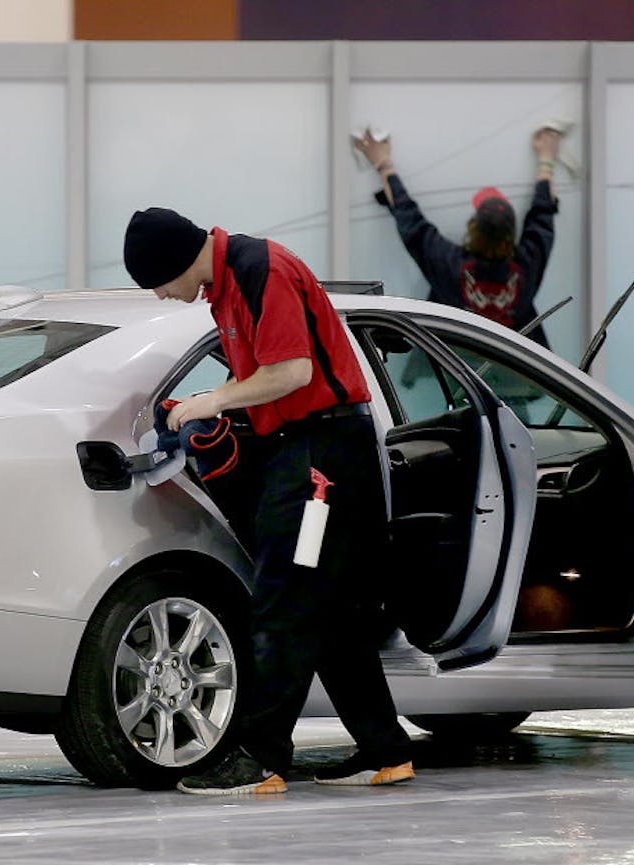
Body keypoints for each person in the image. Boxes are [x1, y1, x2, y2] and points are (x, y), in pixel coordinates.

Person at [123, 207, 415, 795]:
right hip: (302, 446)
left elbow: (291, 372)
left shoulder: (262, 269)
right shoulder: (226, 286)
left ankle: (260, 756)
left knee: (284, 596)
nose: (159, 295)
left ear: (176, 261)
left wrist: (209, 402)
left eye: (156, 282)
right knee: (329, 606)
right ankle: (386, 750)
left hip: (324, 454)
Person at [353, 126, 562, 350]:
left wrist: (384, 163)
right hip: (518, 376)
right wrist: (546, 160)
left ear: (472, 228)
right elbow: (542, 217)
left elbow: (410, 220)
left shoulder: (449, 266)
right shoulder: (526, 270)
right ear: (512, 234)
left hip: (458, 373)